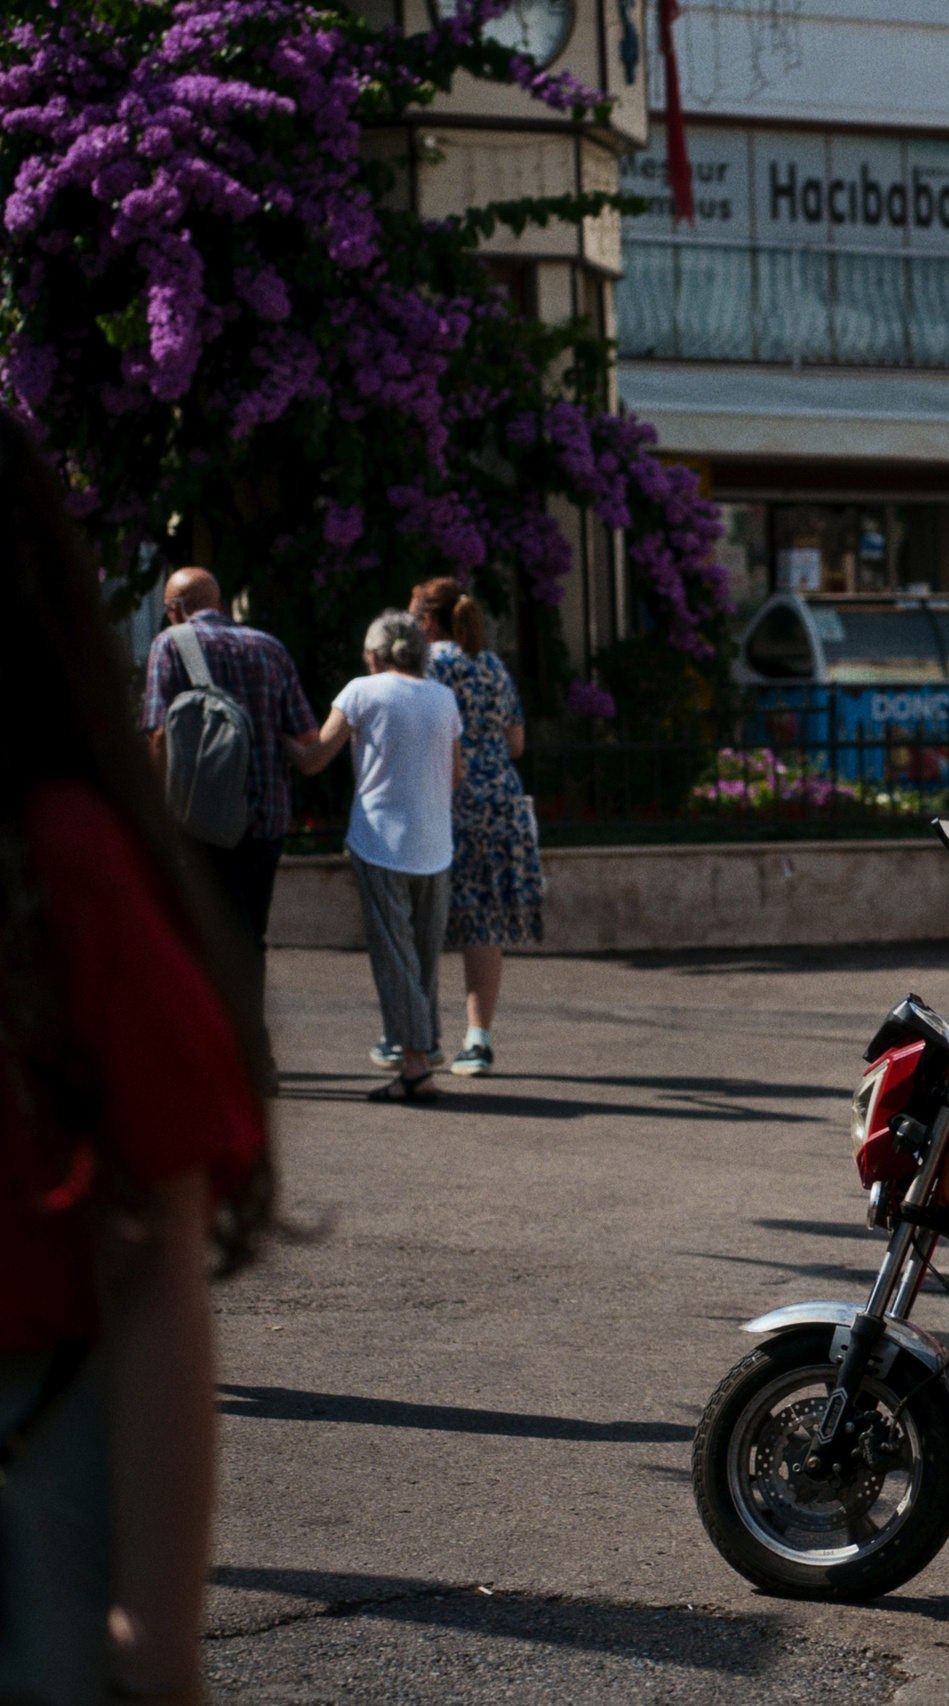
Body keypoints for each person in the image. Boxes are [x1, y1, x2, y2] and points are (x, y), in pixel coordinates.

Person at [0, 412, 269, 1706]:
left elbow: (157, 1249)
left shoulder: (57, 860)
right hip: (256, 841)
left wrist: (157, 1629)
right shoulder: (265, 651)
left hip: (31, 1455)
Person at [292, 611, 462, 1102]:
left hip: (381, 841)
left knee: (395, 957)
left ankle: (415, 1066)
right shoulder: (443, 697)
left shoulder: (361, 692)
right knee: (423, 958)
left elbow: (313, 759)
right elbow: (455, 774)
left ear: (373, 654)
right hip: (435, 843)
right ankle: (421, 1047)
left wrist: (273, 735)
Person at [141, 567, 320, 990]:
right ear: (219, 603)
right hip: (266, 816)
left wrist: (157, 809)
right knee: (250, 936)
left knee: (202, 938)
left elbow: (159, 734)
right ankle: (251, 1028)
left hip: (199, 818)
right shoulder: (269, 647)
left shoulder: (170, 644)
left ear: (176, 608)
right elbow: (307, 738)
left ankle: (220, 1029)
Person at [412, 579, 542, 1078]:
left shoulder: (426, 667)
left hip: (445, 800)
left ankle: (418, 1038)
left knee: (421, 916)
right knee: (483, 921)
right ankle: (478, 1038)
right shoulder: (492, 665)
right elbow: (516, 743)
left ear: (427, 622)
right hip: (500, 802)